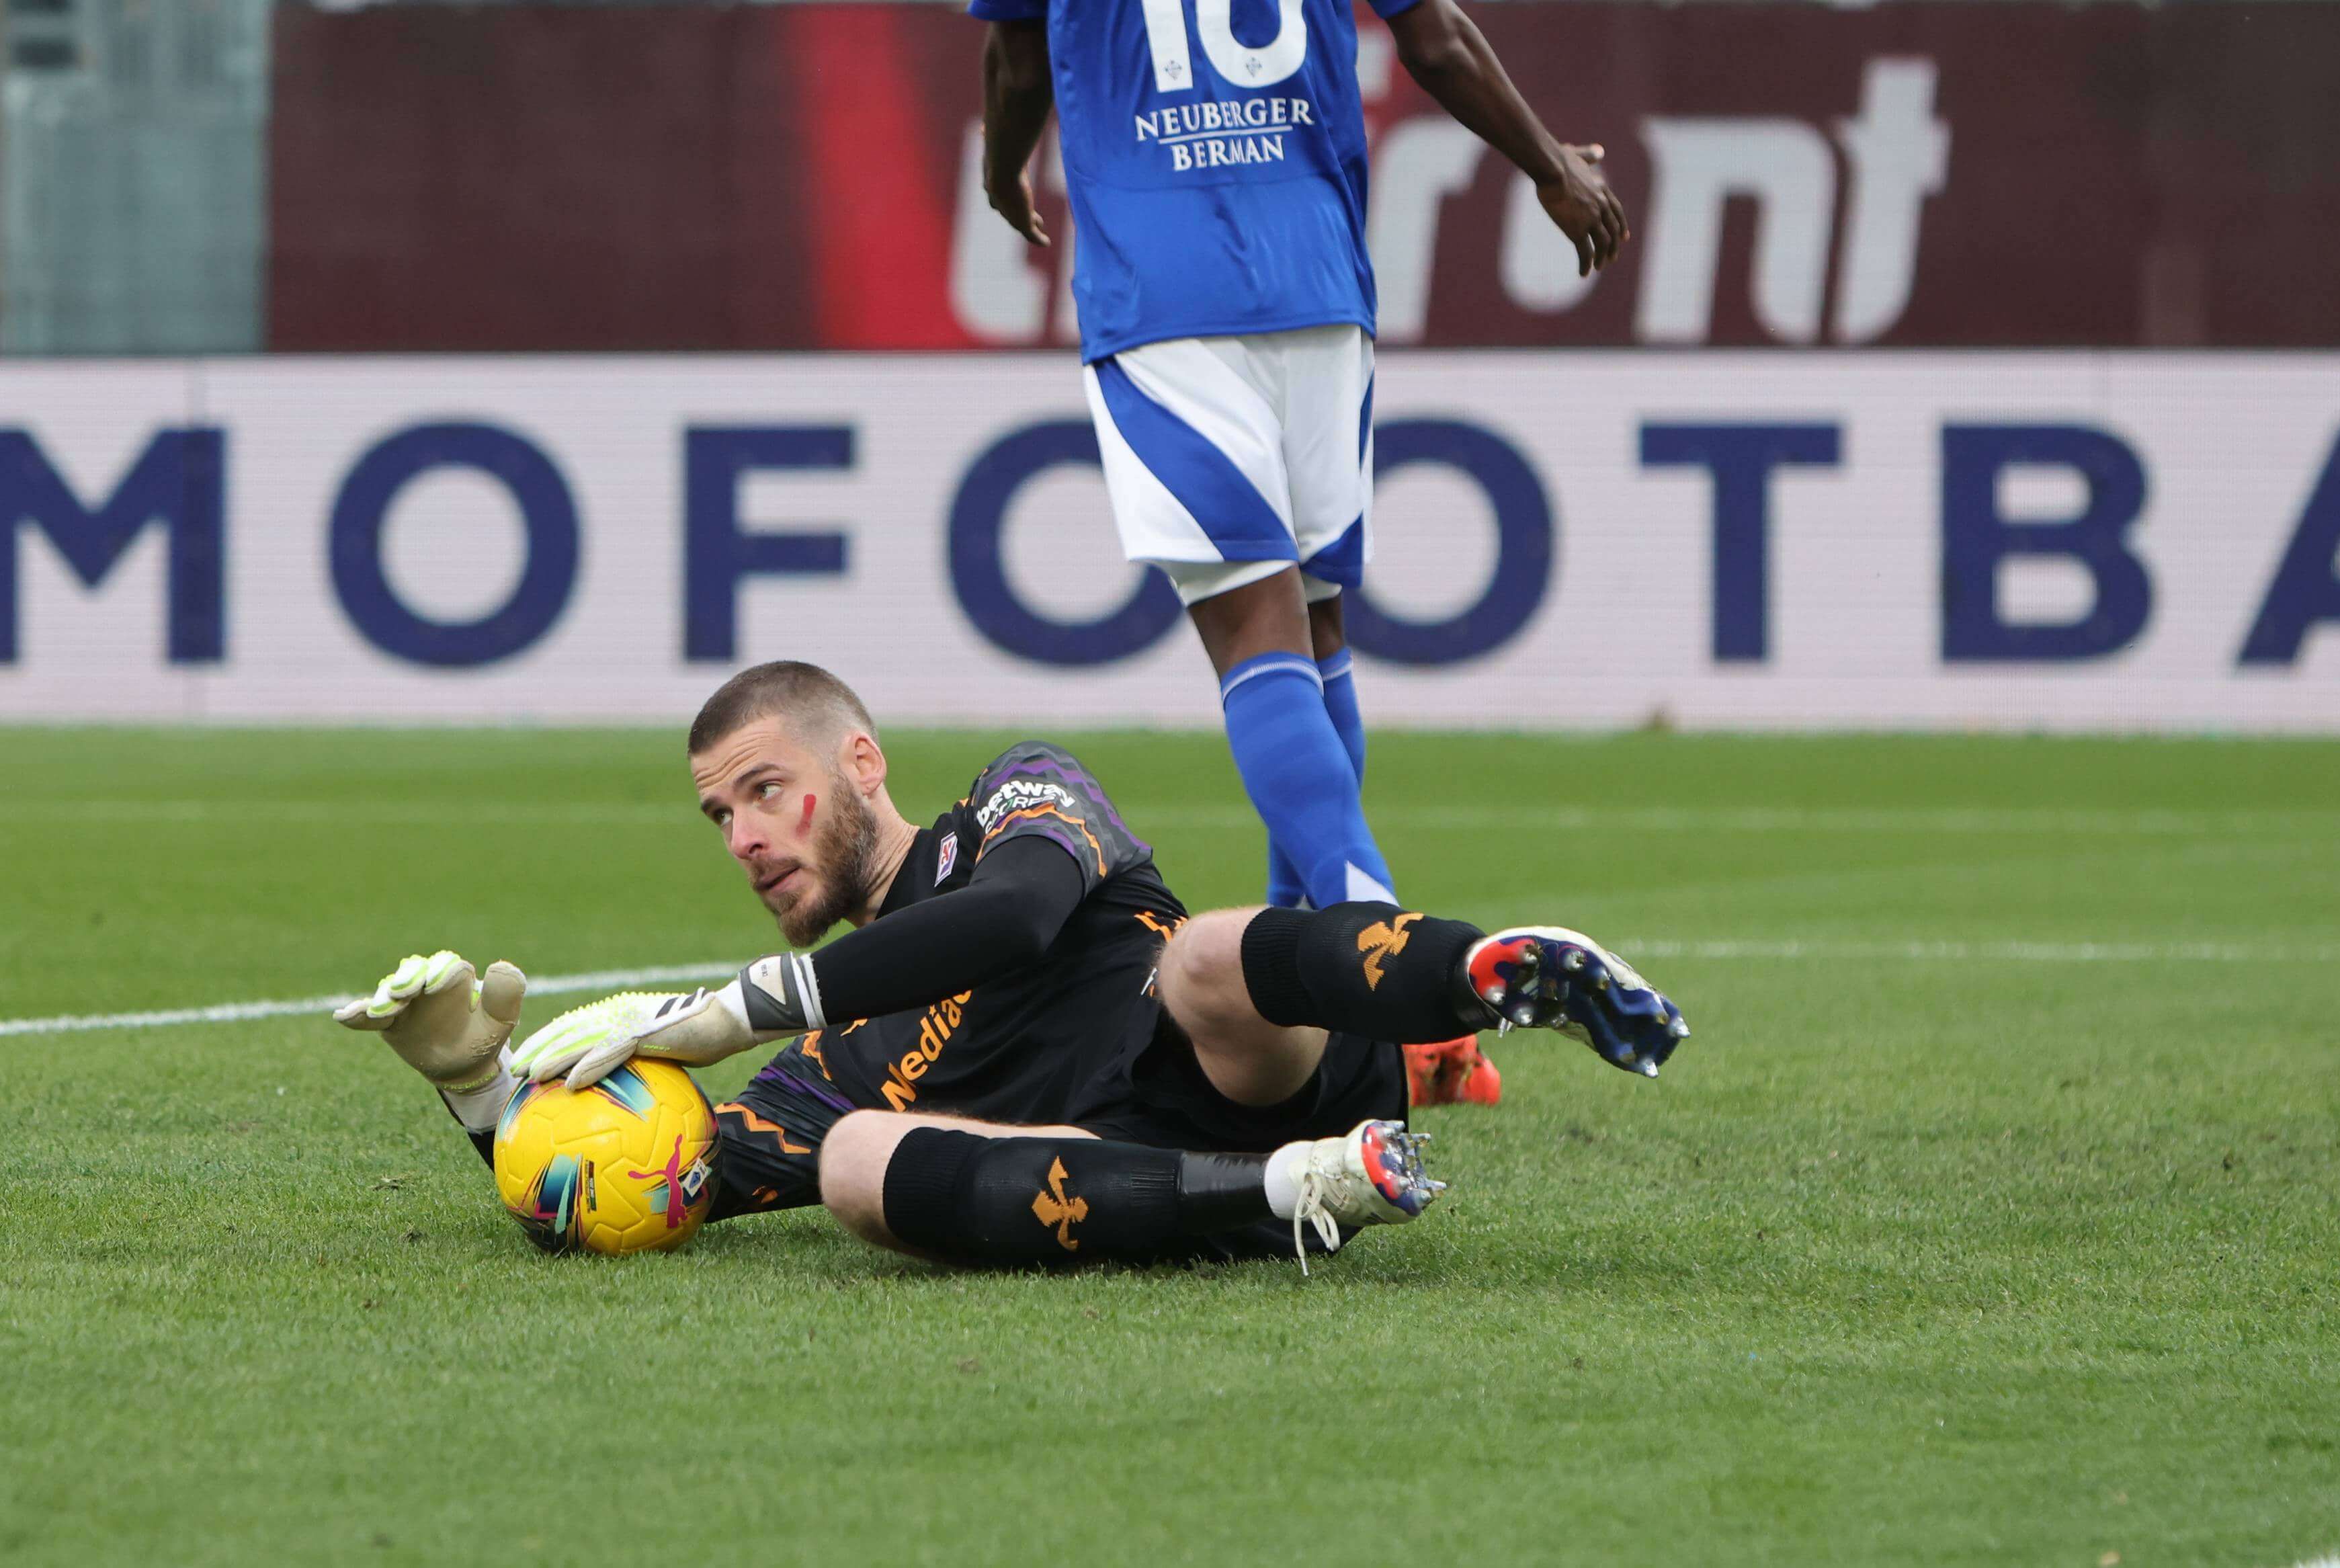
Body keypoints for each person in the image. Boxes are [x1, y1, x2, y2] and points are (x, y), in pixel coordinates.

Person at [336, 662, 1685, 1269]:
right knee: (857, 1165)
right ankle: (1284, 1199)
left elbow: (1018, 921)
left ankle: (1494, 973)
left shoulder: (1016, 803)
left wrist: (737, 1010)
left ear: (859, 763)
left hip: (1261, 1063)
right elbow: (635, 1190)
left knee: (1208, 955)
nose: (744, 837)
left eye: (765, 791)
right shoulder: (827, 1068)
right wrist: (475, 1091)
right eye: (719, 817)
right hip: (1150, 1174)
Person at [971, 0, 1626, 1104]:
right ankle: (1328, 1002)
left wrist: (1002, 169)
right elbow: (1437, 37)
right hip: (1317, 280)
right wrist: (1549, 163)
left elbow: (1018, 54)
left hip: (1165, 288)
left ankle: (1399, 973)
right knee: (1315, 635)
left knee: (1254, 635)